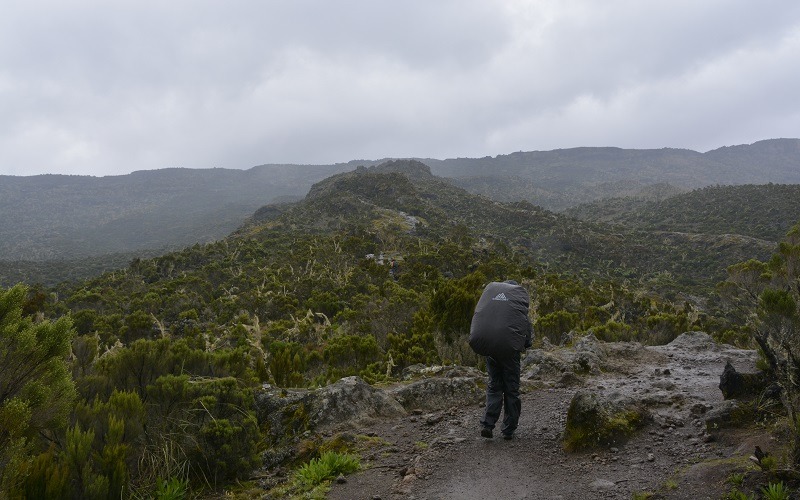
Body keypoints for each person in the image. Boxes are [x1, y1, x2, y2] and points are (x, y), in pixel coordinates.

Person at [468, 280, 533, 440]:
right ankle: (508, 430)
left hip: (492, 351)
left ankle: (487, 424)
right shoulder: (517, 309)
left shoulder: (492, 306)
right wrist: (524, 345)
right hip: (510, 353)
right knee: (511, 389)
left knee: (494, 386)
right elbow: (527, 332)